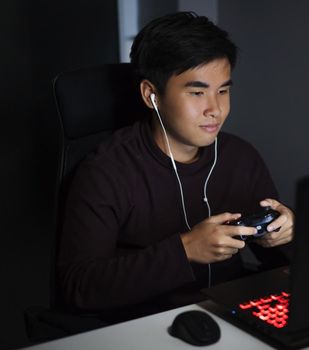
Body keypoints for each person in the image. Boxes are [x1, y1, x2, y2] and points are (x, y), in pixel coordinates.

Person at [57, 12, 294, 323]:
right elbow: (79, 287)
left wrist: (286, 234)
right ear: (151, 94)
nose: (216, 109)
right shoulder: (106, 171)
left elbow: (278, 262)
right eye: (197, 93)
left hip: (228, 319)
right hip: (140, 329)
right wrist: (184, 250)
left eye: (223, 90)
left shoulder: (240, 157)